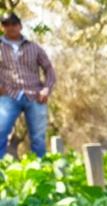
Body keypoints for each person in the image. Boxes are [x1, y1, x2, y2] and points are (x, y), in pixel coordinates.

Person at [0, 13, 56, 159]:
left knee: (38, 138)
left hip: (35, 96)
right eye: (6, 24)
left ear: (20, 26)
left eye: (14, 24)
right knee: (0, 132)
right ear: (3, 27)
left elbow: (49, 69)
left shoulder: (34, 47)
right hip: (8, 96)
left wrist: (46, 89)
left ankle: (40, 170)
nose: (10, 27)